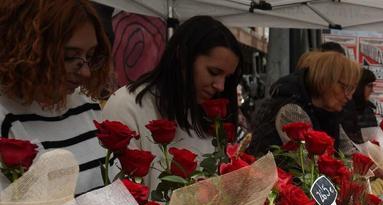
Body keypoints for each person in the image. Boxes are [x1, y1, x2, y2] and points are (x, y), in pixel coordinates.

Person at [103, 16, 242, 190]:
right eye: (213, 72)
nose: (220, 86)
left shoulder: (207, 114)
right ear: (182, 56)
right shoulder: (126, 106)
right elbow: (115, 193)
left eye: (226, 78)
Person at [0, 0, 113, 194]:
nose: (86, 72)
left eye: (91, 56)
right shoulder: (4, 116)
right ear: (26, 49)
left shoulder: (85, 104)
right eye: (70, 57)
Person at [249, 51, 360, 156]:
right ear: (326, 81)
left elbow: (348, 151)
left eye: (352, 90)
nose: (349, 97)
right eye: (346, 88)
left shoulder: (327, 113)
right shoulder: (291, 111)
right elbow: (309, 164)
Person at [340, 69, 378, 144]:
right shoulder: (344, 108)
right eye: (369, 86)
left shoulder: (369, 109)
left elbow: (374, 136)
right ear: (359, 86)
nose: (372, 90)